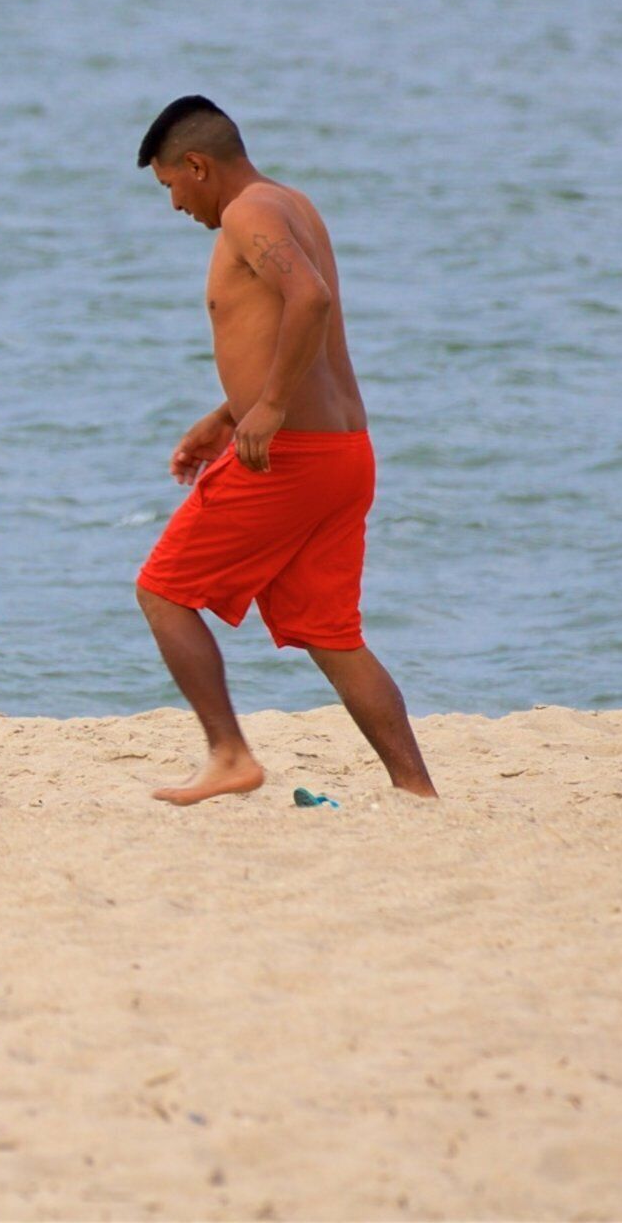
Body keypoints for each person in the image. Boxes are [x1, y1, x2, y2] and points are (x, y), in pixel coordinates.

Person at [129, 96, 435, 805]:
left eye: (171, 186)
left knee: (164, 591)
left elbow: (311, 301)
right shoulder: (291, 202)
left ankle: (229, 754)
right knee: (332, 634)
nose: (174, 204)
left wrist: (264, 411)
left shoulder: (248, 215)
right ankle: (416, 792)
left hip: (289, 456)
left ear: (198, 167)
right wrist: (226, 415)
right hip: (342, 453)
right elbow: (289, 330)